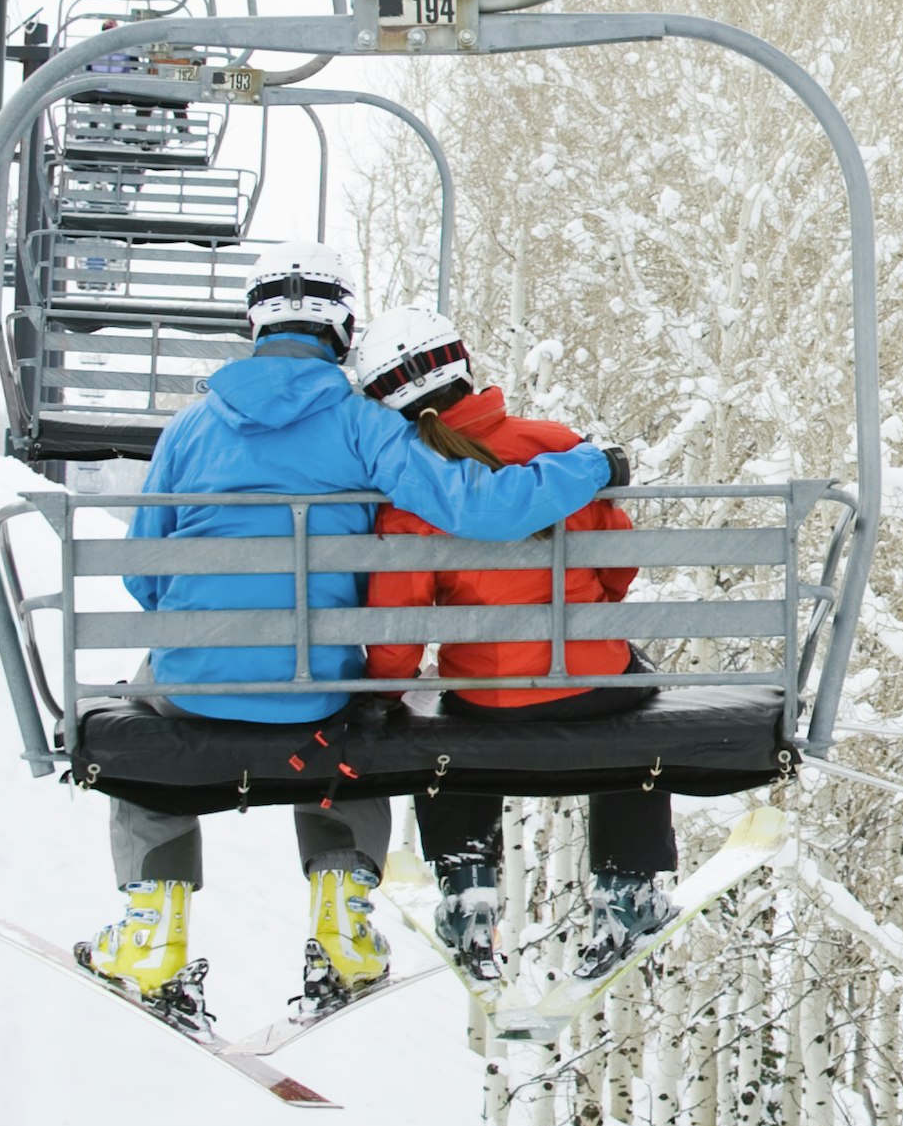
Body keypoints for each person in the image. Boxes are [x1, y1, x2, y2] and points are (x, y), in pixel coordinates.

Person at [85, 246, 614, 1024]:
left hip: (197, 685)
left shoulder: (190, 428)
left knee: (143, 716)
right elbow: (479, 511)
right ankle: (342, 929)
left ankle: (150, 935)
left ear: (256, 323)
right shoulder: (364, 425)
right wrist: (589, 468)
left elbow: (143, 573)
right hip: (316, 689)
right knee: (348, 716)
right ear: (341, 327)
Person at [349, 304, 673, 982]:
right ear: (462, 363)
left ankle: (469, 886)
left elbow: (400, 624)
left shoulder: (413, 491)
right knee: (636, 701)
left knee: (440, 714)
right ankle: (628, 886)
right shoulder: (557, 448)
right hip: (590, 686)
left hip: (487, 696)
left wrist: (385, 686)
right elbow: (617, 562)